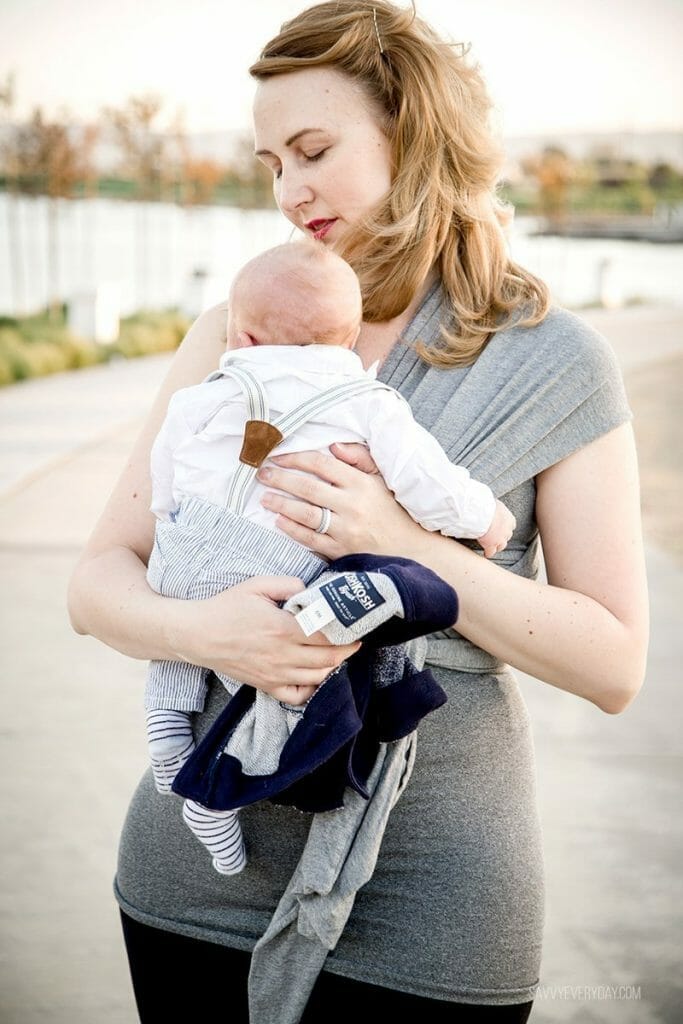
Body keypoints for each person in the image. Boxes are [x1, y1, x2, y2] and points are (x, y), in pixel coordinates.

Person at [67, 2, 649, 1021]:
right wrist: (205, 632)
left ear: (412, 133)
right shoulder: (237, 332)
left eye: (311, 150)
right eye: (268, 163)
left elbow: (611, 663)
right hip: (197, 867)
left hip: (437, 892)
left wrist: (402, 544)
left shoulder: (555, 362)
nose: (288, 191)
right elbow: (98, 578)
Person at [144, 238, 508, 876]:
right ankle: (216, 786)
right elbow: (430, 484)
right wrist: (487, 517)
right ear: (349, 343)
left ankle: (170, 743)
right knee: (281, 671)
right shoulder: (369, 402)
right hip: (275, 561)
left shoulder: (202, 394)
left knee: (182, 652)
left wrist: (172, 528)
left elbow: (165, 472)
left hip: (182, 547)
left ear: (244, 338)